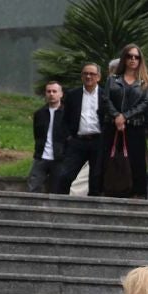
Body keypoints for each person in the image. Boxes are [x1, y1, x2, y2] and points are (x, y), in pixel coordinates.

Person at [58, 61, 114, 196]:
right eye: (86, 74)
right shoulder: (73, 95)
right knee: (65, 175)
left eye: (92, 74)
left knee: (96, 179)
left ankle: (93, 211)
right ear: (81, 76)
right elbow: (64, 119)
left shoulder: (106, 95)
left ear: (99, 77)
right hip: (77, 141)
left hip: (98, 142)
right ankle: (61, 206)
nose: (89, 77)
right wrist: (69, 138)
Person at [107, 42, 148, 199]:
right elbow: (106, 99)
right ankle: (113, 190)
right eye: (129, 56)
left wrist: (124, 116)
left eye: (136, 57)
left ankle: (137, 194)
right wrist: (116, 116)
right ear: (124, 58)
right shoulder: (113, 80)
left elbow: (144, 104)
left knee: (137, 162)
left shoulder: (145, 82)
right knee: (113, 159)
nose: (133, 59)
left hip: (135, 126)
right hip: (114, 126)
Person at [30, 79, 64, 194]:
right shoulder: (39, 114)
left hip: (59, 158)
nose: (51, 94)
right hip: (41, 156)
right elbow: (37, 134)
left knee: (57, 190)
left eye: (54, 91)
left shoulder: (67, 113)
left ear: (61, 94)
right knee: (33, 187)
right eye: (48, 91)